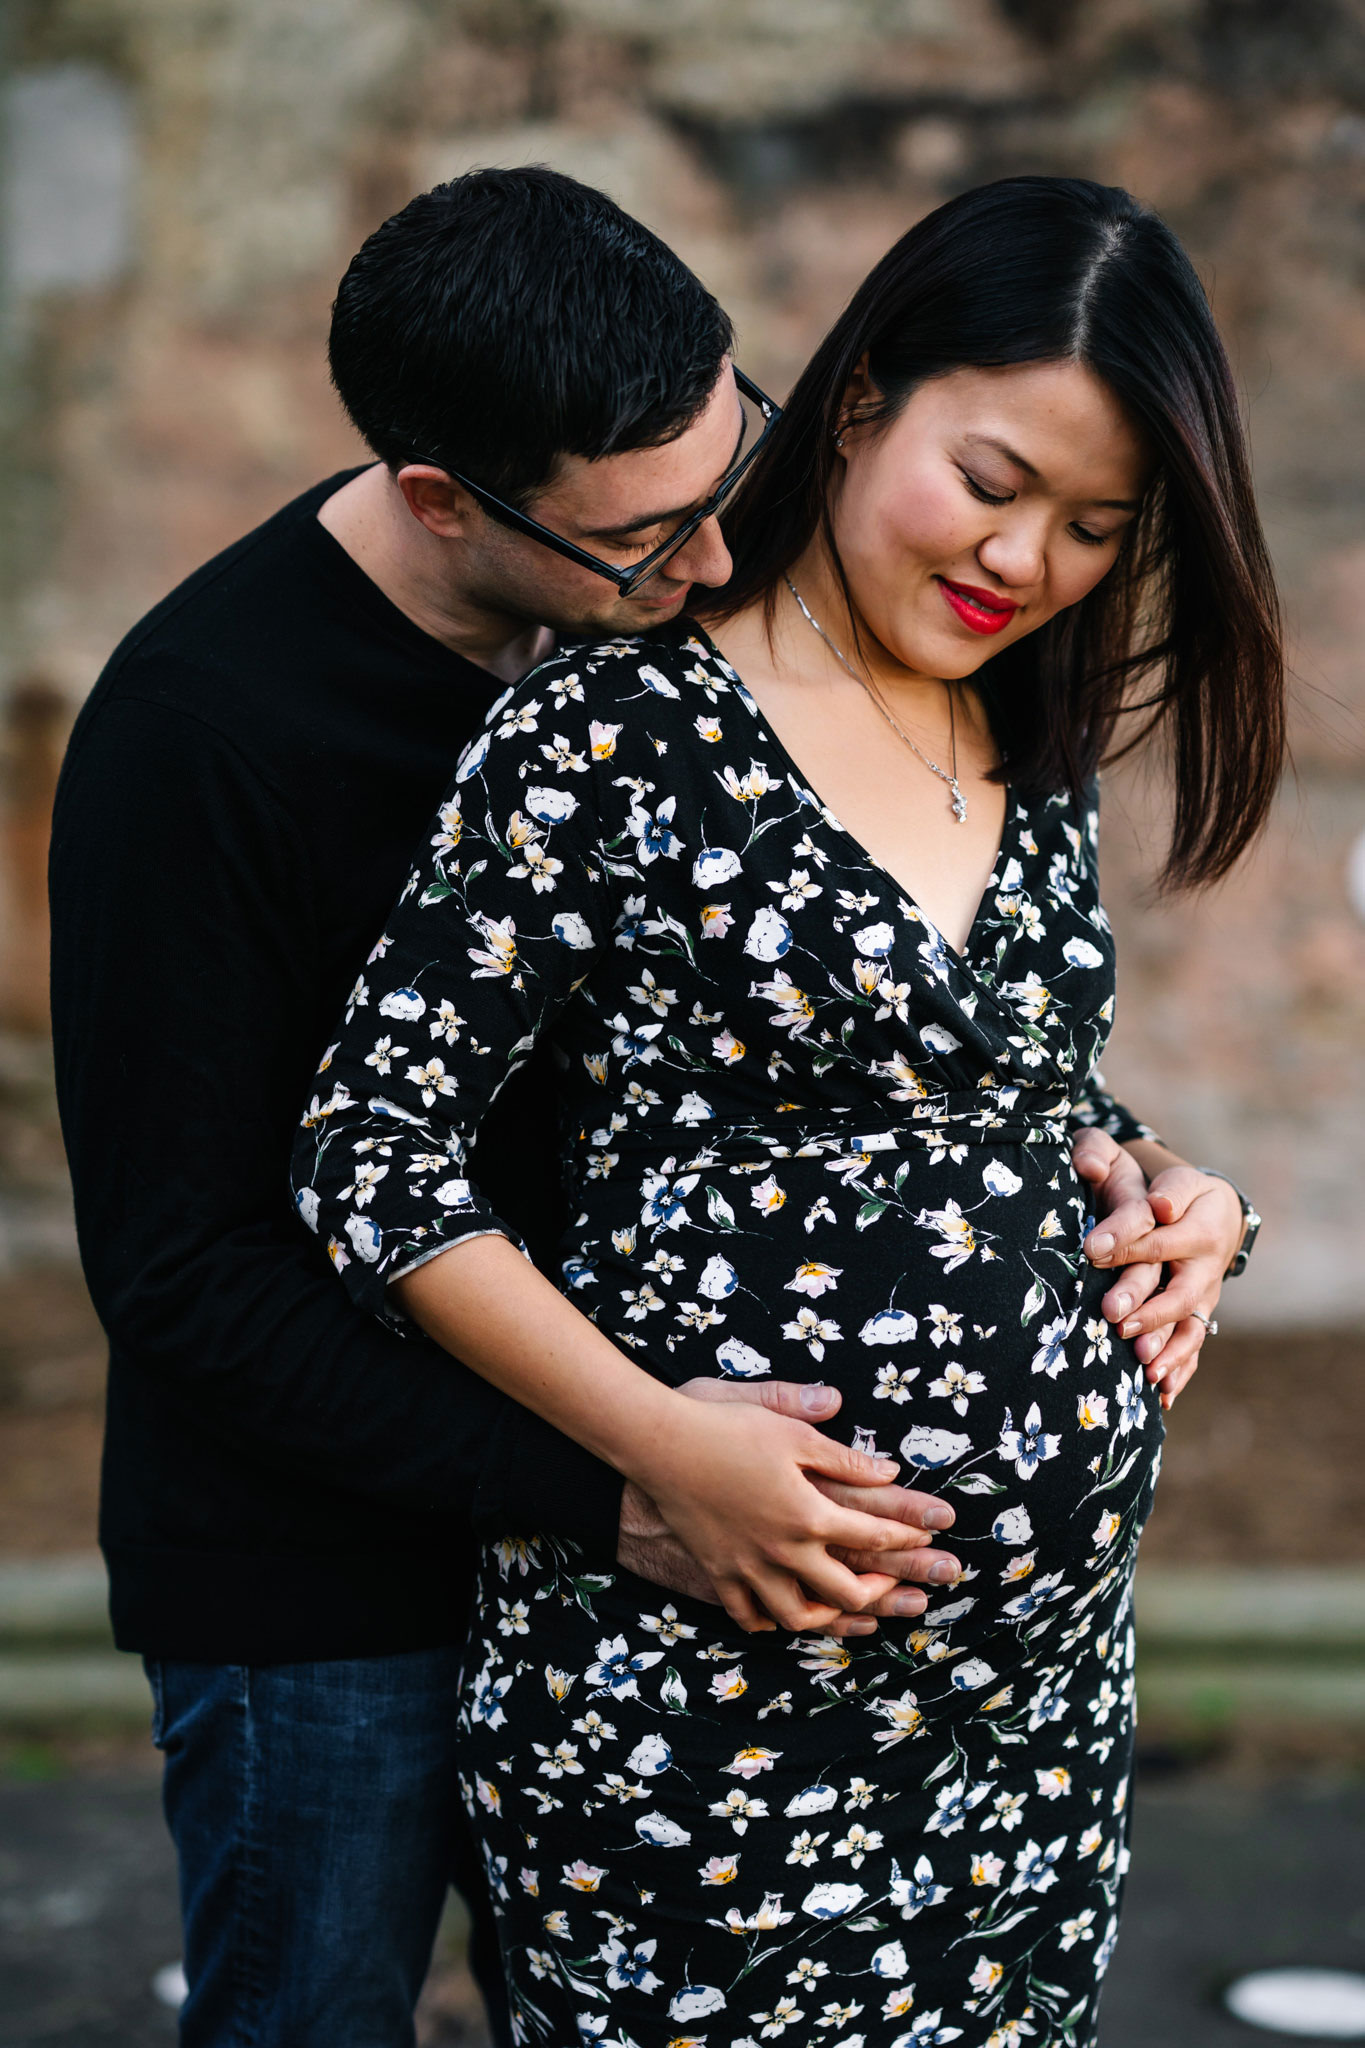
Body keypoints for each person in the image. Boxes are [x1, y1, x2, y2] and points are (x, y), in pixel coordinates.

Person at [294, 176, 1276, 2047]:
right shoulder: (614, 730)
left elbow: (995, 1099)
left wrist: (1185, 1192)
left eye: (1095, 526)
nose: (1028, 561)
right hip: (703, 1721)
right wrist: (658, 1447)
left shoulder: (1021, 738)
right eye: (990, 482)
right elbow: (374, 1155)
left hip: (1028, 1724)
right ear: (856, 400)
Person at [48, 168, 994, 2048]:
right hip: (330, 1582)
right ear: (435, 499)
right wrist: (613, 1482)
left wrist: (1127, 1161)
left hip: (653, 1532)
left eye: (739, 470)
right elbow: (186, 1276)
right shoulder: (197, 736)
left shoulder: (678, 614)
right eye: (641, 543)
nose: (718, 571)